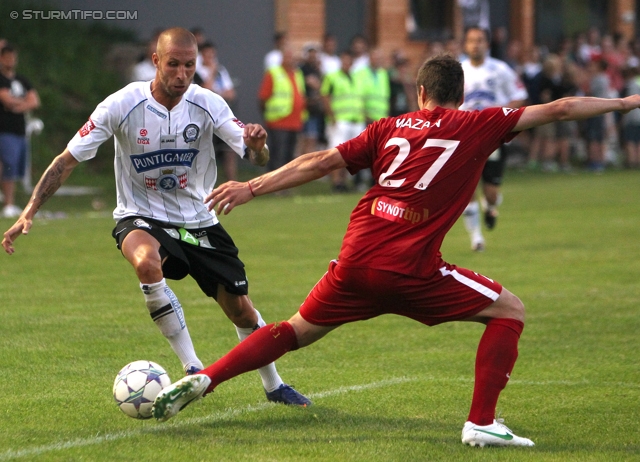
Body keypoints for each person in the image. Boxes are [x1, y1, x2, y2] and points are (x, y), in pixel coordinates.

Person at [151, 53, 640, 447]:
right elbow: (558, 109)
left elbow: (321, 162)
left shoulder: (388, 128)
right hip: (410, 269)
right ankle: (481, 422)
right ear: (461, 96)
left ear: (420, 93)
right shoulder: (479, 123)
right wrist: (623, 104)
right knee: (510, 310)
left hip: (356, 259)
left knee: (292, 330)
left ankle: (206, 378)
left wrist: (252, 187)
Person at [1, 27, 310, 407]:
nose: (182, 74)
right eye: (174, 65)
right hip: (140, 215)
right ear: (156, 62)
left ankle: (274, 386)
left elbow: (255, 156)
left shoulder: (208, 103)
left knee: (241, 309)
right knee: (147, 264)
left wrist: (258, 146)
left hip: (199, 218)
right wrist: (28, 212)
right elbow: (66, 161)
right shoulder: (121, 104)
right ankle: (193, 370)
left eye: (190, 66)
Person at [460, 27, 527, 251]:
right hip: (465, 137)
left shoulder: (500, 70)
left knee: (491, 192)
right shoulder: (458, 71)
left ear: (487, 44)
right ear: (465, 44)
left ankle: (490, 207)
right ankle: (476, 238)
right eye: (471, 41)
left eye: (479, 40)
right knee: (465, 189)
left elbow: (519, 97)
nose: (475, 45)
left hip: (492, 138)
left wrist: (497, 117)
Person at [0, 44, 40, 218]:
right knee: (7, 164)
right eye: (7, 57)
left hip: (20, 130)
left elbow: (34, 101)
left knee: (16, 167)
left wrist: (19, 104)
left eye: (13, 57)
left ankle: (11, 202)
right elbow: (6, 100)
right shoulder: (1, 79)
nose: (11, 60)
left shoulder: (22, 79)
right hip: (4, 129)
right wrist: (23, 102)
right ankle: (7, 203)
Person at [321, 50, 366, 192]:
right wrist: (332, 117)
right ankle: (336, 182)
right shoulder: (332, 77)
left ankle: (344, 182)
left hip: (356, 120)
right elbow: (325, 96)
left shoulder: (357, 78)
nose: (346, 64)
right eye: (343, 61)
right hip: (340, 120)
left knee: (351, 154)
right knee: (337, 151)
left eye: (348, 61)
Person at [258, 46, 306, 172]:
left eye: (292, 57)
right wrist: (267, 115)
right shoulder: (273, 73)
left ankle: (286, 183)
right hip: (278, 121)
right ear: (282, 58)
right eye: (288, 57)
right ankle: (274, 183)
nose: (291, 60)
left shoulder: (297, 74)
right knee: (278, 153)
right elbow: (263, 97)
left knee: (290, 155)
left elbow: (300, 94)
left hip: (295, 121)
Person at [196, 41, 239, 181]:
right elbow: (205, 91)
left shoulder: (221, 70)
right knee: (204, 152)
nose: (211, 58)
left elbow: (231, 94)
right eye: (207, 55)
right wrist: (212, 74)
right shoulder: (196, 72)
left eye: (212, 55)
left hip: (220, 116)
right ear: (201, 56)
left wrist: (216, 93)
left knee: (229, 151)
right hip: (203, 118)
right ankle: (203, 185)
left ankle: (232, 182)